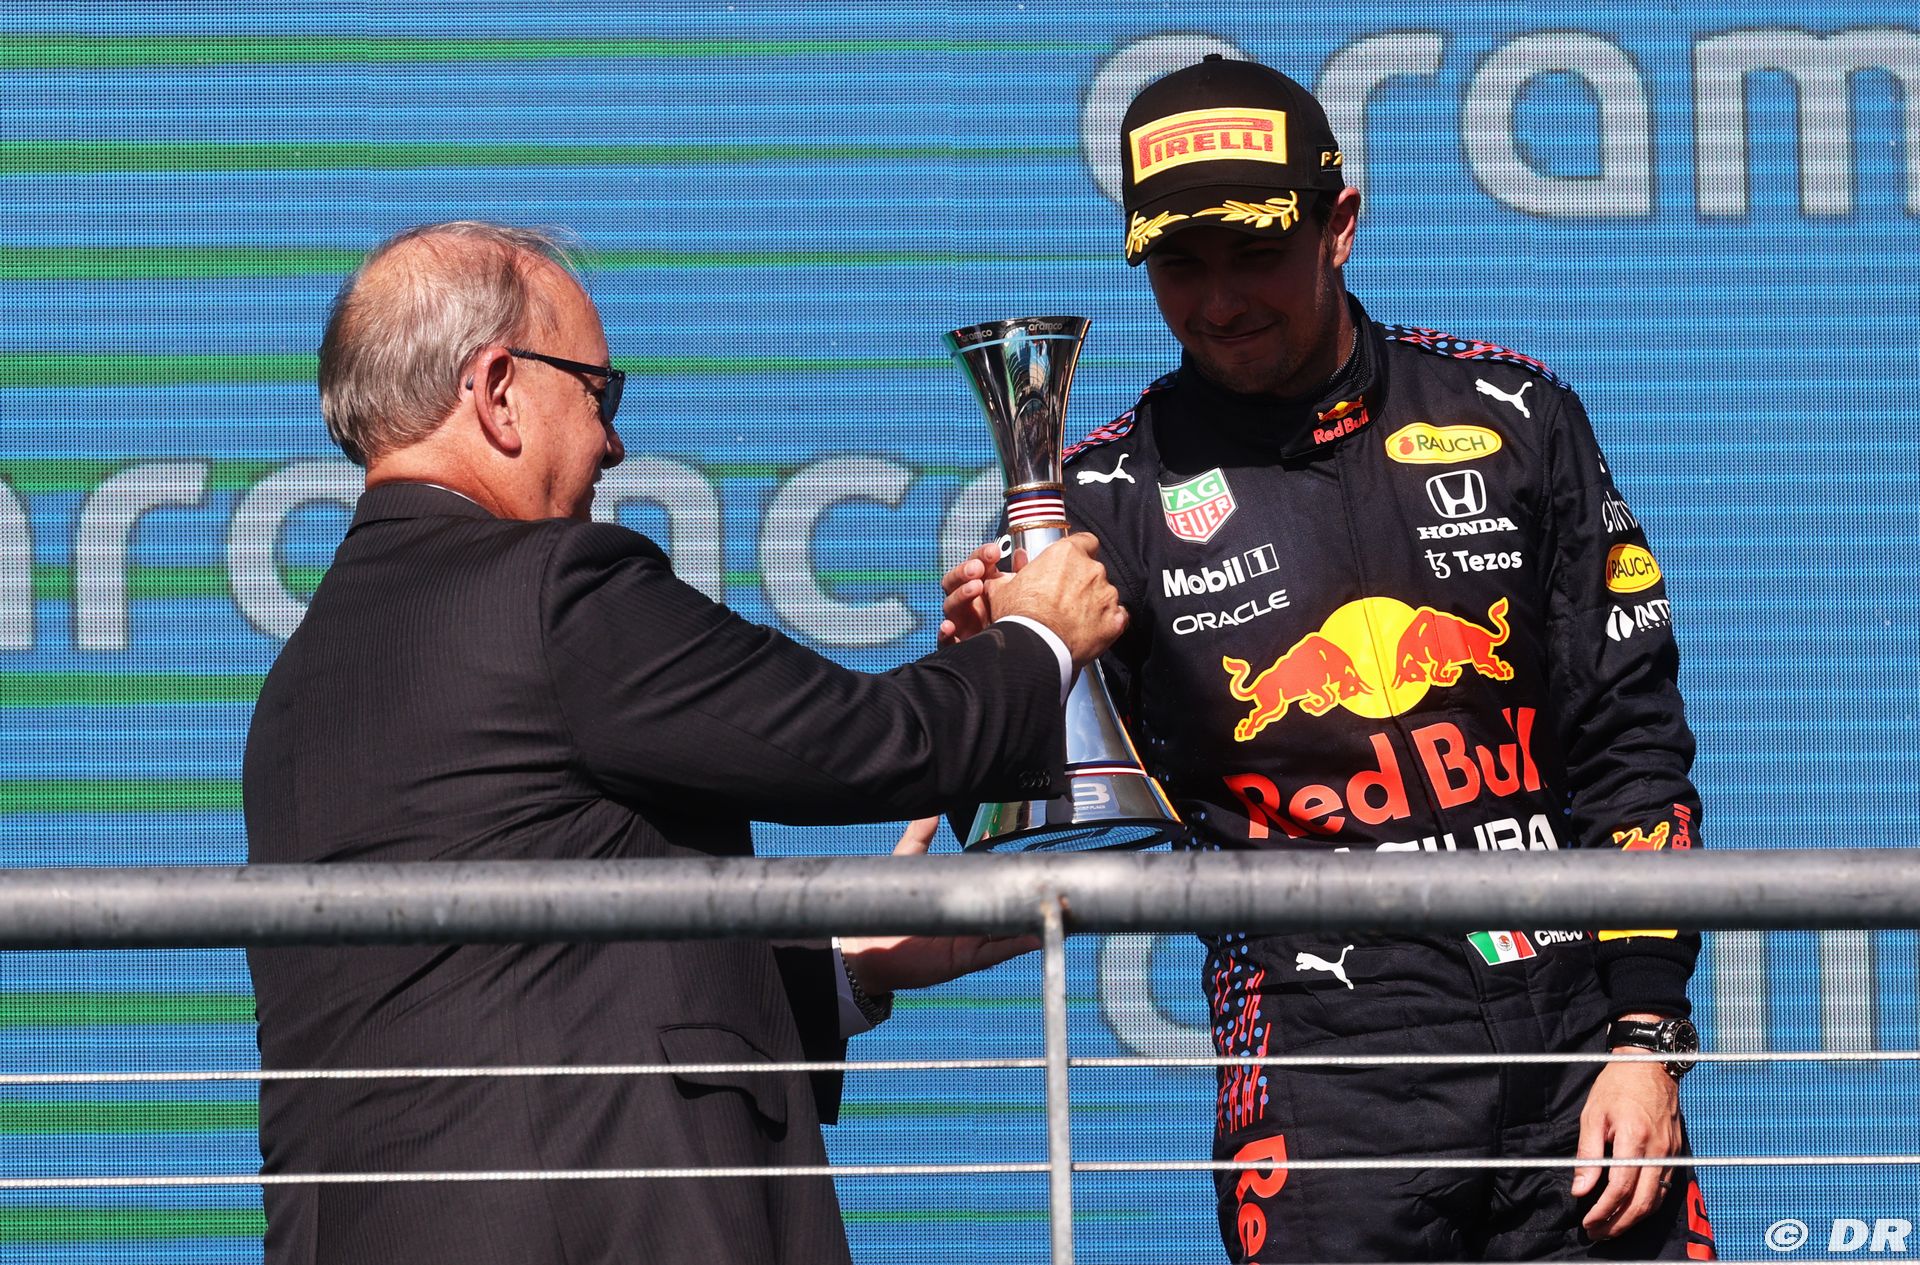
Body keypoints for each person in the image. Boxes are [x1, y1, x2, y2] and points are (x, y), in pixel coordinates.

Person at [943, 57, 1715, 1263]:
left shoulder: (1514, 416)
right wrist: (1002, 681)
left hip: (1575, 1040)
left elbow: (1632, 742)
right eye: (1179, 265)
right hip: (1320, 1062)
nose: (1218, 302)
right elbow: (1048, 823)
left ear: (1339, 224)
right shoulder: (1102, 499)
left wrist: (1646, 1036)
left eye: (1253, 252)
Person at [244, 220, 1127, 1265]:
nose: (614, 443)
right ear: (498, 390)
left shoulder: (294, 688)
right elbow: (868, 741)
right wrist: (1038, 639)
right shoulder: (553, 587)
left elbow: (499, 978)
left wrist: (848, 965)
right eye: (599, 392)